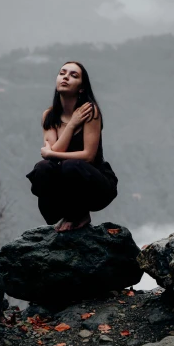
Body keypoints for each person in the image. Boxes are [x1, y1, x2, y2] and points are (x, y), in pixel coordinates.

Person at [26, 61, 118, 231]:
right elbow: (53, 155)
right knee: (42, 168)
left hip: (95, 184)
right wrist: (71, 125)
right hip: (67, 187)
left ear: (81, 88)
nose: (66, 77)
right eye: (62, 73)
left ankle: (80, 215)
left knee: (70, 165)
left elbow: (88, 156)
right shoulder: (49, 115)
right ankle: (60, 218)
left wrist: (51, 154)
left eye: (73, 75)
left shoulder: (90, 112)